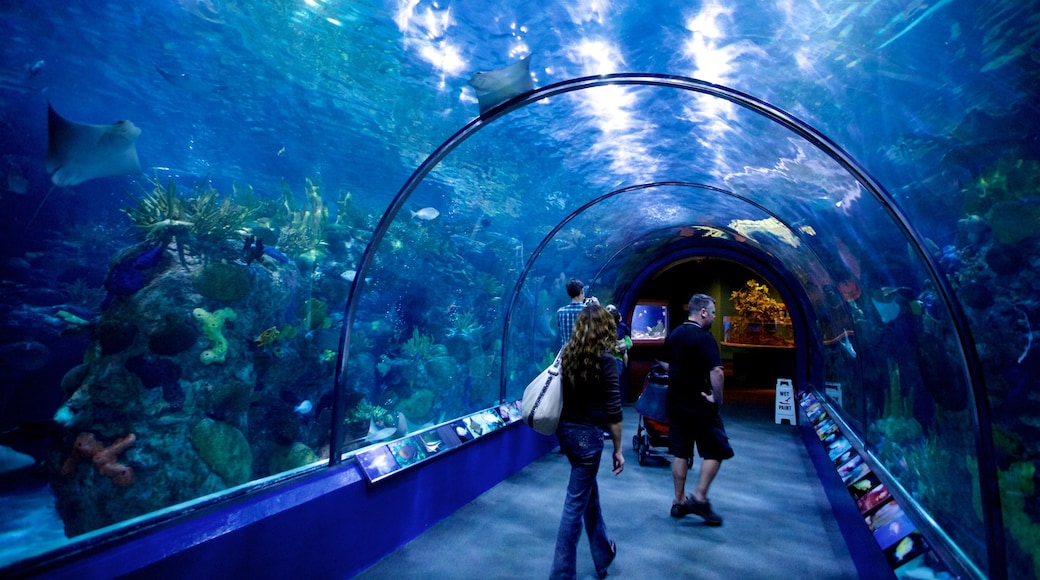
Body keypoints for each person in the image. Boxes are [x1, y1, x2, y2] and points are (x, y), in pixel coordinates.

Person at [550, 305, 624, 580]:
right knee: (574, 505)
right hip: (588, 439)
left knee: (587, 495)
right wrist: (618, 450)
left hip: (566, 434)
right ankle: (561, 574)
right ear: (606, 328)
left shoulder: (567, 355)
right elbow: (615, 412)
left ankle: (603, 553)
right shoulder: (606, 361)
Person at [664, 293, 733, 526]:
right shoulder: (704, 338)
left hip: (675, 400)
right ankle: (700, 497)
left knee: (680, 452)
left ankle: (679, 501)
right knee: (717, 449)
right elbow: (717, 372)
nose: (713, 317)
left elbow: (664, 363)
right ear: (703, 312)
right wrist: (718, 398)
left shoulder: (673, 334)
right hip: (700, 402)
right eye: (713, 313)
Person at [605, 304, 632, 403]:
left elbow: (629, 342)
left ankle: (613, 402)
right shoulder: (605, 328)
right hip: (611, 359)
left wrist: (621, 346)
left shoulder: (620, 329)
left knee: (613, 383)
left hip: (616, 359)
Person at [556, 278, 587, 346]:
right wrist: (597, 306)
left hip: (567, 353)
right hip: (584, 352)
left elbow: (560, 330)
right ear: (581, 291)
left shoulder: (560, 312)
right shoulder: (588, 310)